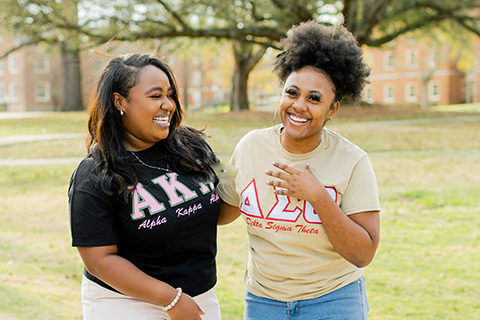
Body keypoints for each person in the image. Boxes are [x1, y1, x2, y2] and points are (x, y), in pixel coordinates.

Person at [217, 21, 380, 320]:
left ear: (333, 110)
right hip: (264, 302)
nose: (299, 105)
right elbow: (223, 211)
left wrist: (318, 197)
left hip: (333, 301)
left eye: (314, 98)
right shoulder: (251, 146)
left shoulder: (352, 161)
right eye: (292, 93)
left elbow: (363, 253)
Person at [68, 53, 222, 320]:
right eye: (155, 96)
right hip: (126, 301)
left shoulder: (194, 145)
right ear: (120, 101)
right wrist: (171, 300)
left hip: (199, 297)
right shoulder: (94, 174)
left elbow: (227, 194)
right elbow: (99, 260)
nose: (168, 105)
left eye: (170, 95)